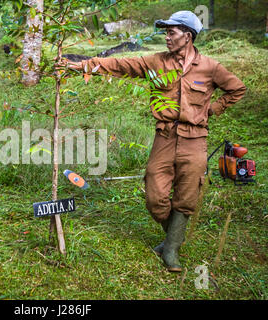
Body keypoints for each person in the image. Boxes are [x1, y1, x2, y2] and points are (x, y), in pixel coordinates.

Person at [65, 11, 247, 272]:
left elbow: (237, 89)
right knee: (155, 195)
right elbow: (121, 66)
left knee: (186, 194)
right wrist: (85, 64)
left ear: (188, 36)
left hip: (196, 139)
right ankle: (174, 234)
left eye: (171, 32)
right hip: (165, 135)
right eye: (166, 32)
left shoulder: (210, 67)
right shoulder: (156, 62)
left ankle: (171, 248)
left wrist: (213, 109)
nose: (167, 37)